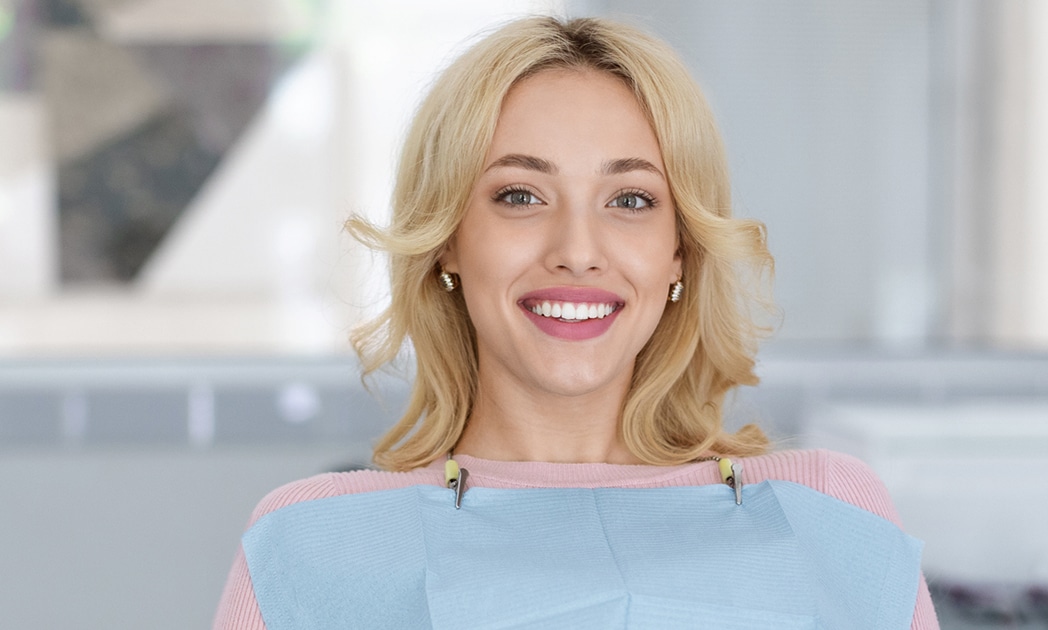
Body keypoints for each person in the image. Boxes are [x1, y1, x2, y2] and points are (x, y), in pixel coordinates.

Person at [214, 16, 938, 629]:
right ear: (447, 240)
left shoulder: (832, 518)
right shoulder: (313, 546)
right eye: (521, 195)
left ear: (680, 250)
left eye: (629, 201)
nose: (578, 252)